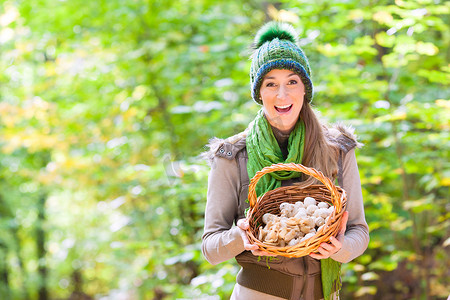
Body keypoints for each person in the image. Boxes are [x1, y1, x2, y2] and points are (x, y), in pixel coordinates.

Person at [201, 21, 369, 300]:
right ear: (259, 93)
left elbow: (359, 231)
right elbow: (210, 248)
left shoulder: (338, 149)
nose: (283, 95)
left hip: (325, 293)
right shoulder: (231, 155)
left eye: (292, 81)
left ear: (305, 88)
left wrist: (339, 249)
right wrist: (239, 237)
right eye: (271, 84)